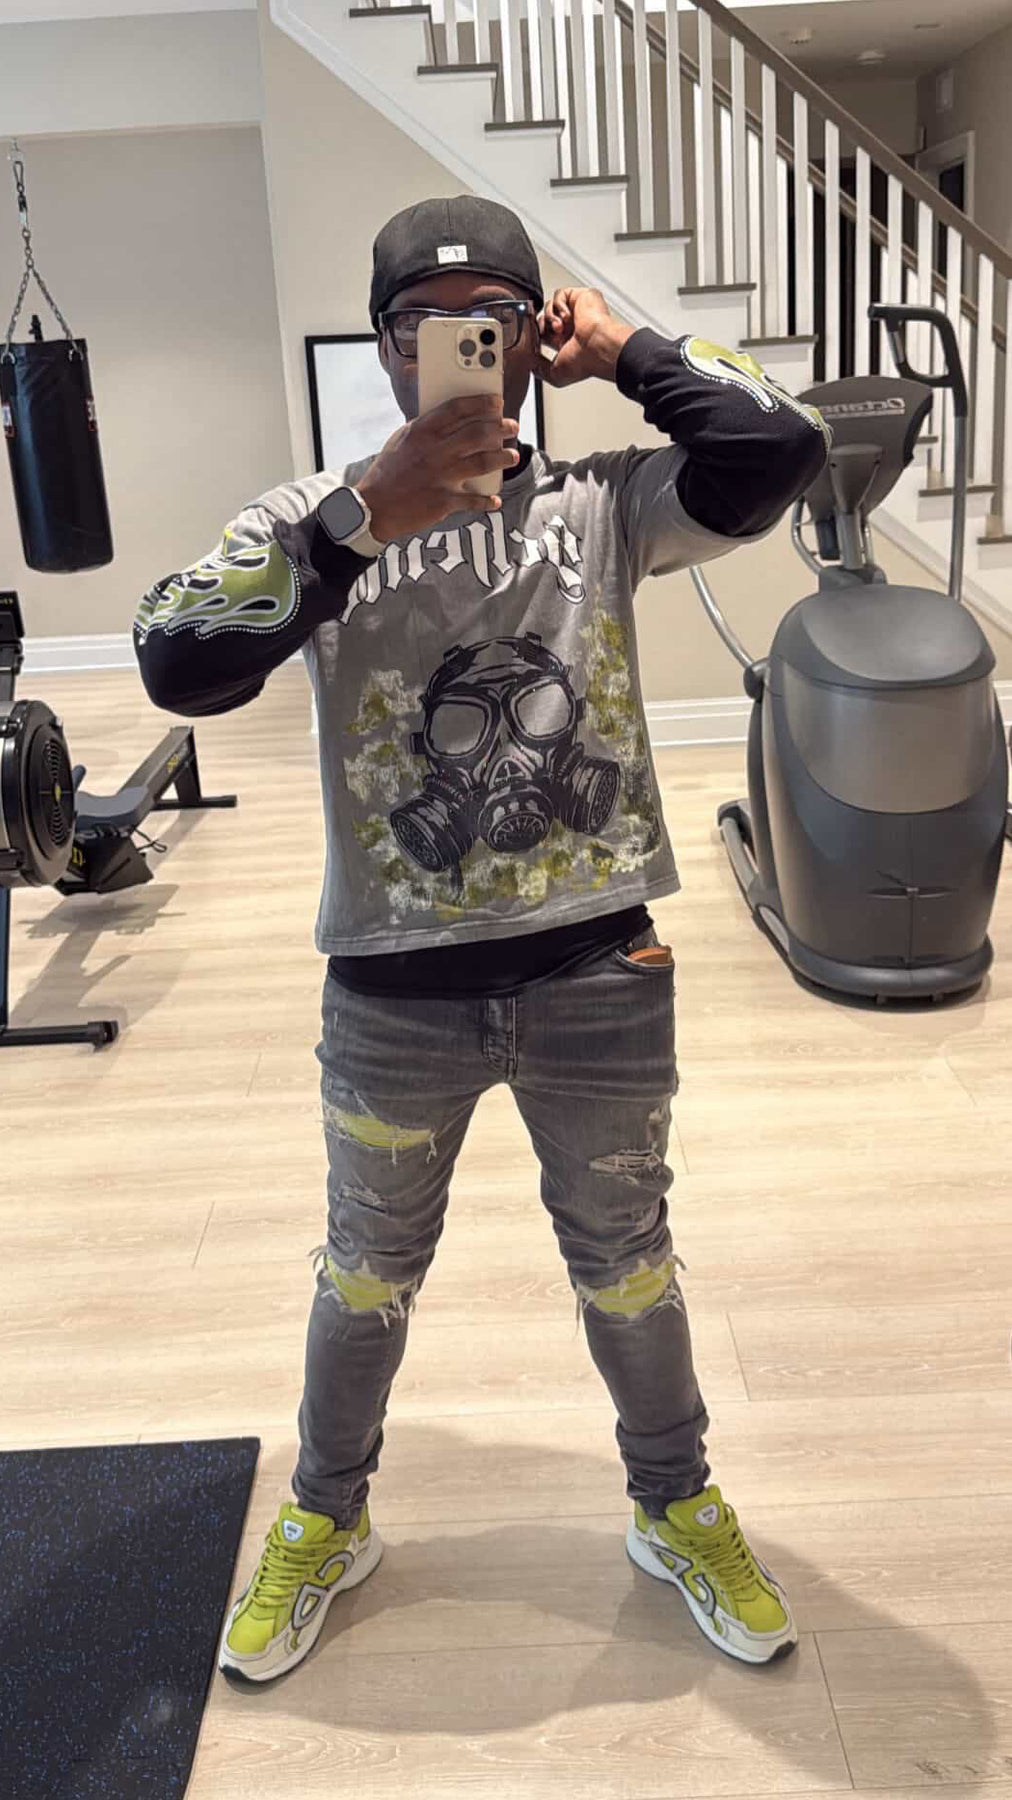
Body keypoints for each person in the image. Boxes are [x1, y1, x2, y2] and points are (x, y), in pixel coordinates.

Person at [135, 194, 829, 1684]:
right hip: (392, 987)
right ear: (386, 348)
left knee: (628, 1261)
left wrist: (630, 350)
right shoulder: (311, 517)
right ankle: (327, 1517)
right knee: (364, 1273)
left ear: (527, 340)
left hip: (597, 970)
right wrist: (357, 519)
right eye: (425, 326)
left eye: (494, 321)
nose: (459, 347)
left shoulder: (602, 507)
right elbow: (176, 661)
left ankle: (674, 1502)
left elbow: (785, 449)